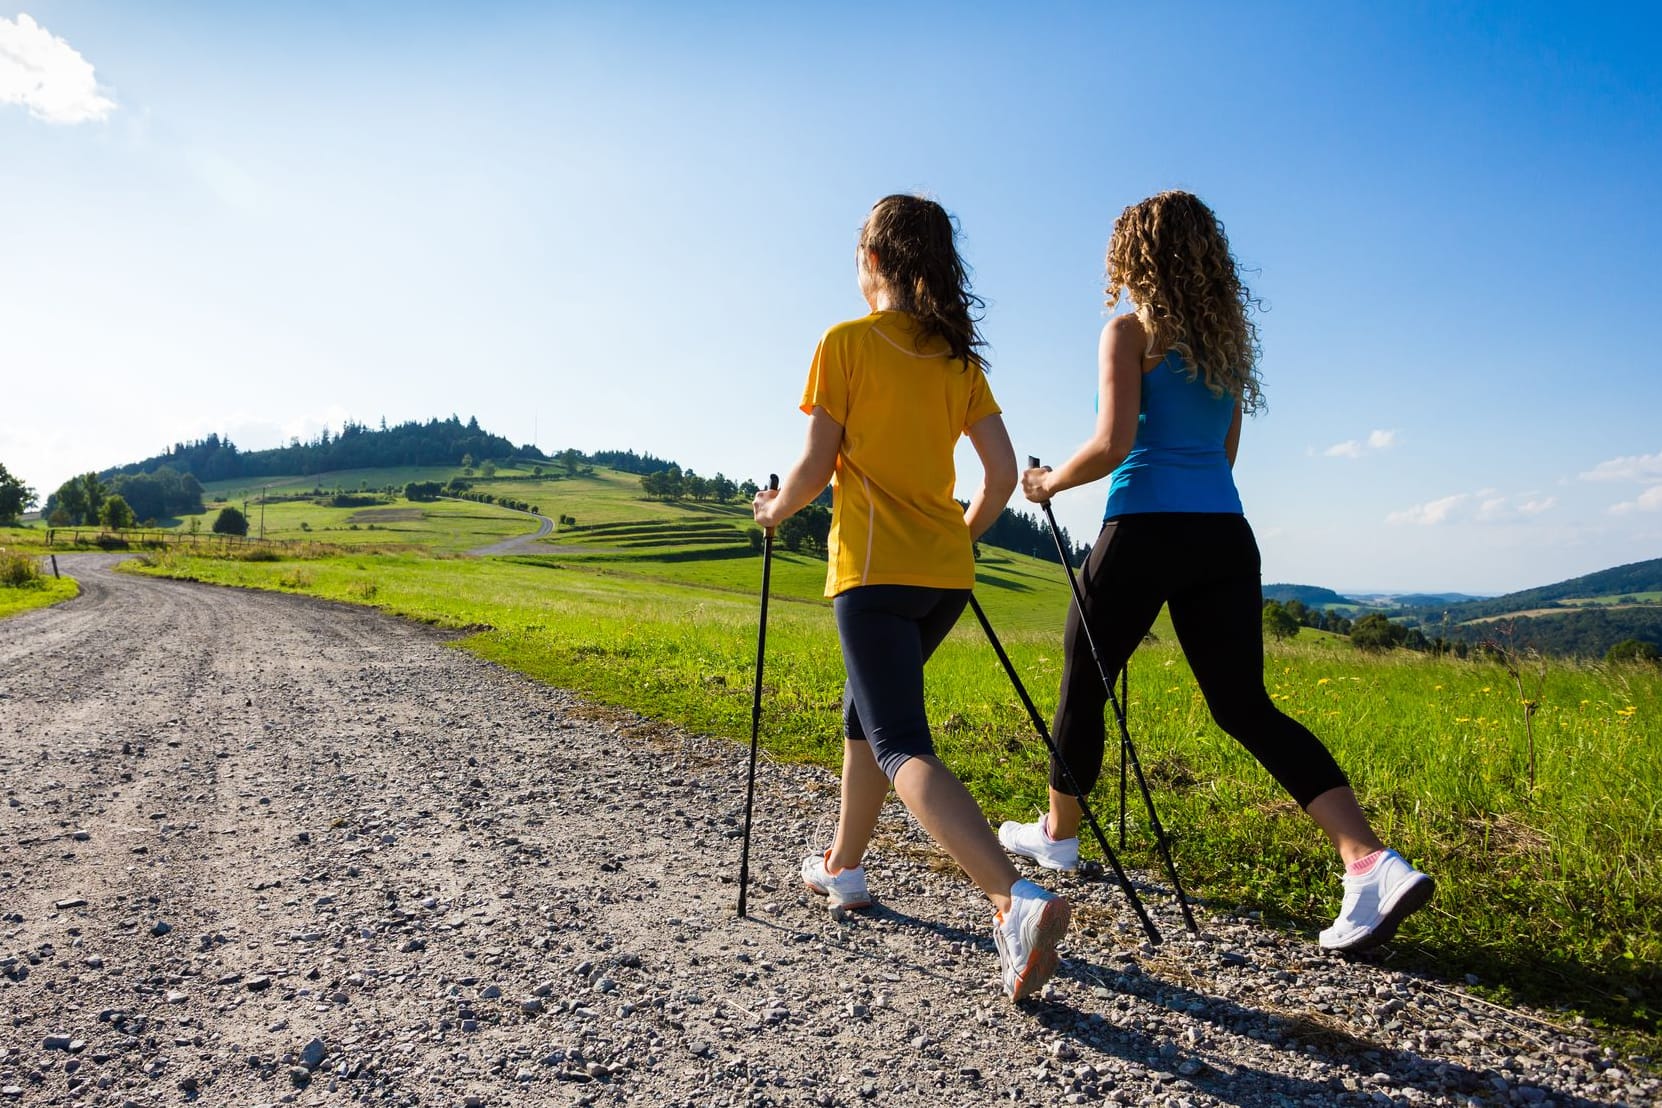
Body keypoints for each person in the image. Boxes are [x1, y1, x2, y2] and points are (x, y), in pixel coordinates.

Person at [1000, 190, 1433, 954]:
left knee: (1081, 678)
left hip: (1142, 527)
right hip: (1224, 533)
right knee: (1245, 706)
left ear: (1134, 257)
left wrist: (1047, 485)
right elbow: (1224, 453)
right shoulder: (1224, 345)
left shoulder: (1128, 332)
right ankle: (1369, 860)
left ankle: (1058, 837)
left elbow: (1112, 442)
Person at [753, 194, 1071, 1000]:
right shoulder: (960, 361)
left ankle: (1014, 900)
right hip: (944, 576)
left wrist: (773, 510)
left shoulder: (844, 343)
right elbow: (1000, 477)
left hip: (871, 573)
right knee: (863, 717)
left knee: (899, 742)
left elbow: (817, 466)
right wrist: (961, 534)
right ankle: (844, 868)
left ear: (875, 259)